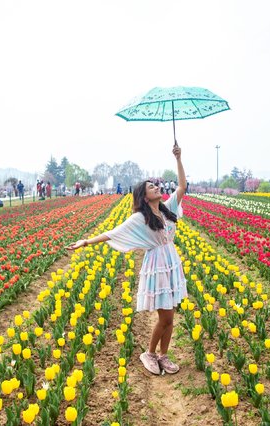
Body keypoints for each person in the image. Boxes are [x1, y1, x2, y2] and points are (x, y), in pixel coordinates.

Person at [68, 144, 187, 376]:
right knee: (166, 316)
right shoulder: (139, 218)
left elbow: (182, 185)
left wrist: (178, 158)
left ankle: (163, 355)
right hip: (157, 266)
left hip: (171, 262)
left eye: (156, 184)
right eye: (151, 186)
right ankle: (150, 353)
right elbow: (112, 233)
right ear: (143, 196)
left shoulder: (166, 210)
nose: (156, 187)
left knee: (170, 314)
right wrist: (85, 242)